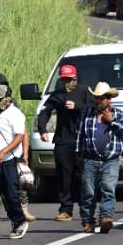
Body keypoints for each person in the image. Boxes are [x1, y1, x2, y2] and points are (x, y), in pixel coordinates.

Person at [37, 63, 93, 222]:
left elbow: (94, 107)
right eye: (64, 79)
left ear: (75, 78)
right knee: (64, 176)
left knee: (85, 176)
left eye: (70, 79)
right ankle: (65, 209)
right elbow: (44, 112)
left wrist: (77, 106)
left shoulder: (84, 91)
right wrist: (42, 130)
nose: (67, 83)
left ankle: (86, 209)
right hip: (63, 140)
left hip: (83, 140)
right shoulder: (57, 95)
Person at [74, 82, 123, 234]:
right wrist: (78, 154)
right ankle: (88, 220)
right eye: (97, 98)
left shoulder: (118, 114)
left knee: (108, 189)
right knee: (88, 192)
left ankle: (106, 217)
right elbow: (79, 135)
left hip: (110, 159)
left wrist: (111, 121)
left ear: (109, 99)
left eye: (103, 98)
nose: (100, 101)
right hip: (90, 158)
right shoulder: (86, 114)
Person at [0, 83, 31, 240]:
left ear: (7, 100)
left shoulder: (15, 114)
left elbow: (19, 136)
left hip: (8, 161)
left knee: (11, 196)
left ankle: (19, 222)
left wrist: (3, 152)